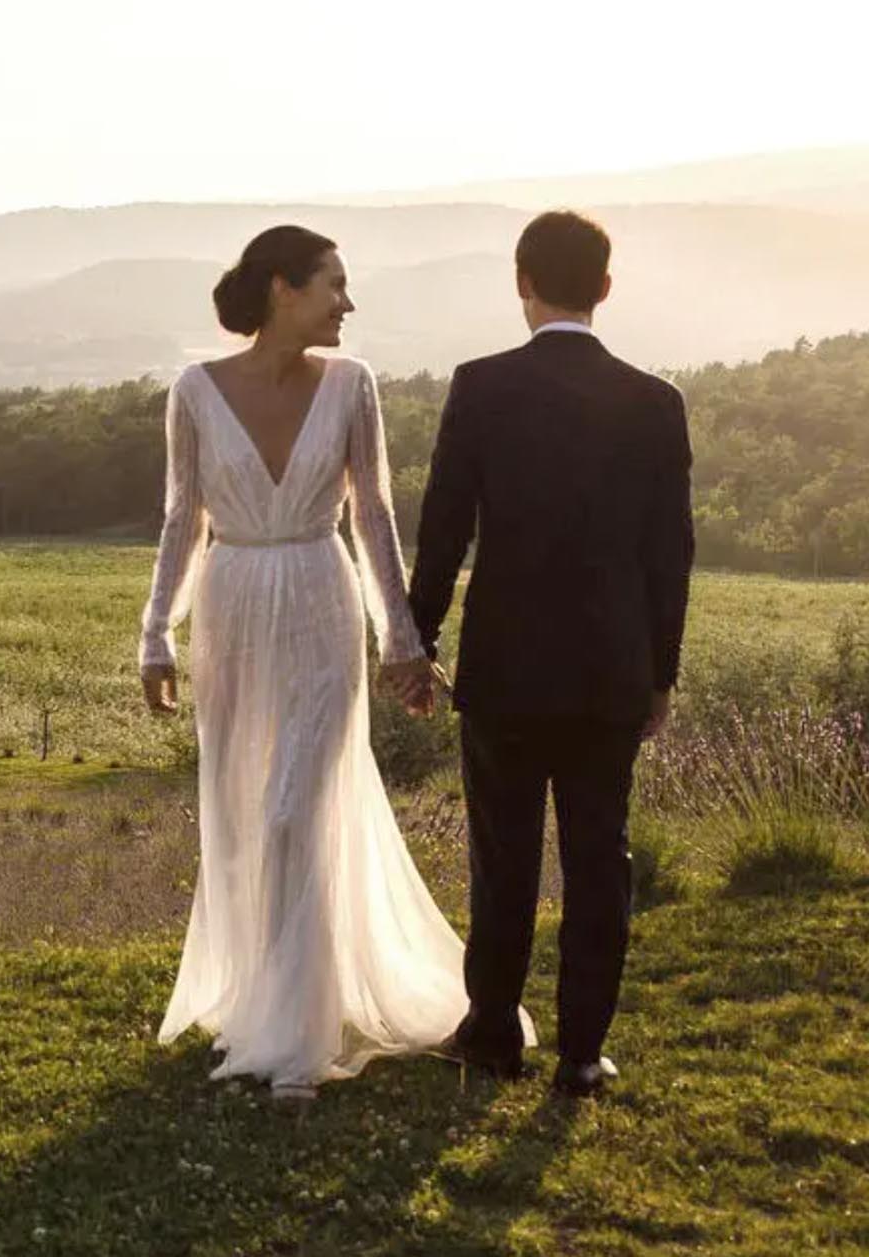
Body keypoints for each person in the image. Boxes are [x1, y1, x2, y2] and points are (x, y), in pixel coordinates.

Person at [138, 225, 494, 1101]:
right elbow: (183, 518)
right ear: (279, 290)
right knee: (244, 805)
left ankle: (296, 1041)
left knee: (299, 803)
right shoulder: (192, 389)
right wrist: (156, 631)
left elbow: (372, 517)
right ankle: (260, 994)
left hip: (318, 598)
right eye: (334, 284)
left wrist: (403, 644)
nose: (348, 302)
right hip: (231, 606)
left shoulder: (352, 385)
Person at [408, 211, 695, 1100]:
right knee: (599, 856)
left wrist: (418, 642)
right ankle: (581, 1051)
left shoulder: (482, 387)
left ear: (520, 282)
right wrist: (660, 673)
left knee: (505, 857)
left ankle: (492, 1032)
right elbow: (670, 551)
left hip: (504, 669)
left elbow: (445, 529)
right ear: (605, 289)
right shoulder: (655, 402)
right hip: (611, 669)